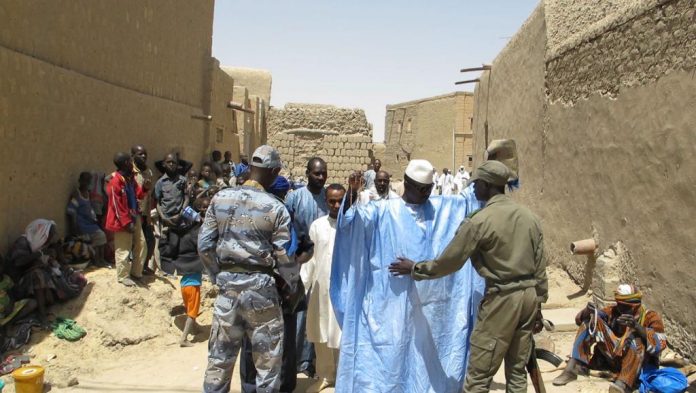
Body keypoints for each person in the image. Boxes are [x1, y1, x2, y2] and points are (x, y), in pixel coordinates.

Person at [389, 160, 548, 393]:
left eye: (477, 184)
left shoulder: (479, 221)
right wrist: (538, 306)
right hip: (528, 299)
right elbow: (540, 266)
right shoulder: (530, 218)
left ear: (487, 184)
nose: (473, 189)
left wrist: (416, 268)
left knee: (478, 376)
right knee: (516, 371)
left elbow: (449, 262)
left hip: (501, 301)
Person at [330, 159, 484, 393]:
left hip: (431, 311)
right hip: (390, 310)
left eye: (428, 189)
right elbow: (350, 224)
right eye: (420, 189)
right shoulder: (382, 211)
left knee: (425, 363)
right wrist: (351, 192)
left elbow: (468, 201)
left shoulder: (440, 210)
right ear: (407, 185)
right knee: (391, 362)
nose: (425, 194)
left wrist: (492, 170)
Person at [200, 145, 299, 393]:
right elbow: (284, 255)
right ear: (274, 171)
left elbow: (204, 245)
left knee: (219, 362)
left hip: (227, 293)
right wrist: (292, 286)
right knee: (267, 367)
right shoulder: (275, 208)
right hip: (262, 293)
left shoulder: (220, 198)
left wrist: (217, 275)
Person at [239, 175, 310, 393]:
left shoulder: (242, 215)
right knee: (282, 342)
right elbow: (301, 248)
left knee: (253, 342)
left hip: (256, 289)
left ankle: (253, 386)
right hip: (280, 289)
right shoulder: (284, 213)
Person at [552, 284, 668, 393]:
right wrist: (588, 312)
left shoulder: (650, 317)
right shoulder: (613, 311)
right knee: (589, 322)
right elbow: (580, 321)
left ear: (636, 306)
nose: (621, 309)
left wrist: (637, 326)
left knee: (635, 338)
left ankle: (624, 384)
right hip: (613, 358)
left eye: (626, 307)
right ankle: (572, 369)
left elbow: (660, 344)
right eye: (620, 305)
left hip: (637, 365)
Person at [284, 157, 329, 377]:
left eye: (323, 173)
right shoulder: (295, 198)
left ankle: (312, 360)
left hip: (324, 263)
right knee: (299, 312)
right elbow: (285, 227)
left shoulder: (329, 198)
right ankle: (296, 360)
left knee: (318, 311)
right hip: (300, 262)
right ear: (307, 173)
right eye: (316, 173)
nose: (321, 177)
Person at [302, 184, 345, 392]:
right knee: (321, 333)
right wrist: (302, 287)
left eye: (340, 201)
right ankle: (326, 376)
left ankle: (343, 378)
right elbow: (309, 261)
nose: (336, 205)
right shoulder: (317, 226)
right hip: (320, 289)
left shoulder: (352, 226)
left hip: (344, 291)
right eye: (332, 201)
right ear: (326, 201)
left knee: (342, 334)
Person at [7, 220, 85, 326]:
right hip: (19, 283)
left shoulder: (38, 243)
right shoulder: (22, 242)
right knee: (38, 275)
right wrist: (40, 254)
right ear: (42, 233)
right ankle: (42, 314)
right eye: (49, 235)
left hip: (32, 281)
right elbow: (18, 262)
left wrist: (49, 259)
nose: (50, 239)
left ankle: (43, 302)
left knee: (73, 280)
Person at [105, 152, 148, 287]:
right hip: (122, 221)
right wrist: (126, 222)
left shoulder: (129, 179)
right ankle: (123, 276)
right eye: (130, 162)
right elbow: (116, 206)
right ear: (125, 164)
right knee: (123, 248)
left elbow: (138, 194)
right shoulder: (115, 182)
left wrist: (145, 189)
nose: (132, 164)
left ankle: (136, 272)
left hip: (134, 216)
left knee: (141, 244)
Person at [172, 197, 210, 347]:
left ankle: (195, 327)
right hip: (193, 283)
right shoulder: (198, 228)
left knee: (190, 308)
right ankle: (184, 338)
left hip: (184, 283)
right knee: (192, 311)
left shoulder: (188, 230)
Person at [155, 153, 190, 276]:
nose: (171, 164)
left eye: (174, 162)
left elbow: (186, 198)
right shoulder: (160, 182)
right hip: (166, 218)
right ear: (164, 164)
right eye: (168, 162)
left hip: (179, 217)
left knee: (181, 243)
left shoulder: (182, 180)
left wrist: (181, 214)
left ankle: (181, 269)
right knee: (166, 244)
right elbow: (158, 202)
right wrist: (164, 218)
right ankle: (165, 269)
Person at [66, 172, 108, 267]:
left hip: (89, 223)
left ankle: (101, 259)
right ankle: (98, 260)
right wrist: (74, 228)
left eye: (88, 181)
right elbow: (71, 211)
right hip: (81, 224)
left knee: (102, 236)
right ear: (80, 181)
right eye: (84, 180)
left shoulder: (88, 193)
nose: (86, 183)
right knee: (100, 236)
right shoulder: (77, 194)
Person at [131, 145, 156, 275]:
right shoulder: (130, 172)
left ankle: (144, 266)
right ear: (133, 155)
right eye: (140, 154)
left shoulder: (148, 172)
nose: (144, 157)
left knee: (150, 241)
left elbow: (149, 195)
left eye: (145, 154)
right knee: (136, 243)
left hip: (144, 212)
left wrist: (148, 216)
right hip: (133, 212)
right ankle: (135, 269)